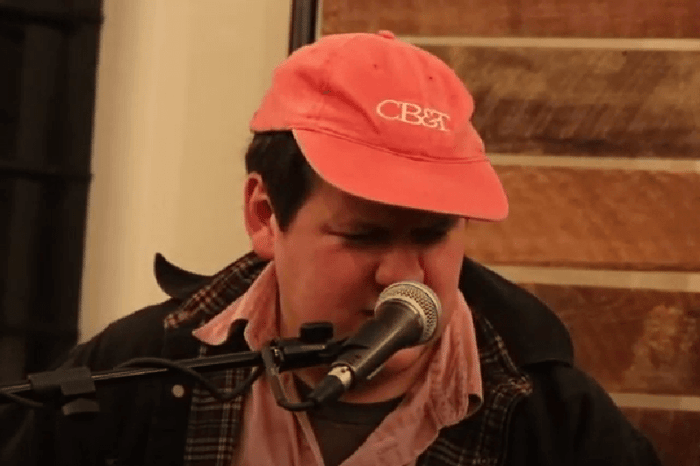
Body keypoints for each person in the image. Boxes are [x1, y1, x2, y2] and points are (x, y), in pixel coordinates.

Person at [1, 31, 662, 466]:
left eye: (433, 234)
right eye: (363, 235)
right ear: (265, 216)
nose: (404, 277)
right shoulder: (131, 376)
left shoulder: (554, 419)